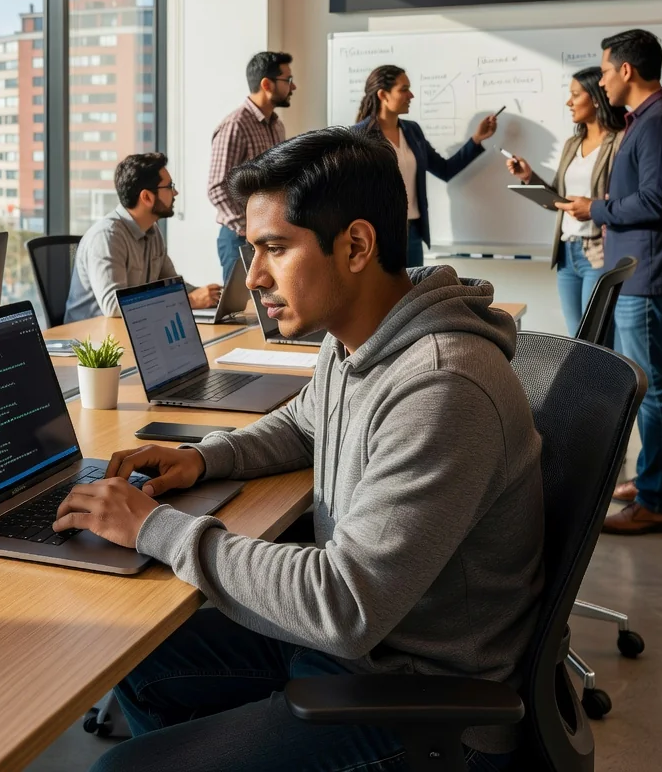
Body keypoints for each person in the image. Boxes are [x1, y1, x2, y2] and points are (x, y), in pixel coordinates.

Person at [55, 128, 544, 772]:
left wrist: (157, 528)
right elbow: (306, 423)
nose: (252, 275)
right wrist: (205, 457)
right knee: (137, 654)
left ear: (357, 246)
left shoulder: (442, 384)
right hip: (364, 648)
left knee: (119, 770)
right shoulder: (358, 335)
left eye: (273, 249)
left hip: (420, 698)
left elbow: (343, 605)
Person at [557, 29, 662, 535]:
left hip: (651, 273)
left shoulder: (660, 123)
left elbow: (656, 202)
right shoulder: (650, 119)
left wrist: (593, 208)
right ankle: (649, 481)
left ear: (626, 71)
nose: (600, 81)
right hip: (645, 270)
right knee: (651, 383)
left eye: (603, 69)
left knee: (654, 387)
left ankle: (659, 500)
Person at [505, 66, 627, 336]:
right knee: (576, 340)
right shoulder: (573, 143)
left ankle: (604, 381)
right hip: (566, 255)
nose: (568, 102)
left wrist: (592, 207)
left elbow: (620, 200)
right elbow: (557, 199)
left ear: (596, 98)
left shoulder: (619, 142)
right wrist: (528, 177)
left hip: (597, 253)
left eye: (575, 95)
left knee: (594, 341)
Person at [353, 65, 498, 267]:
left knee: (414, 296)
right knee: (385, 297)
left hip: (412, 232)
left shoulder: (412, 131)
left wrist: (476, 139)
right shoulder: (359, 136)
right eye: (404, 89)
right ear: (383, 95)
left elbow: (444, 170)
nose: (411, 95)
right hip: (379, 235)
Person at [65, 152, 220, 322]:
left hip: (134, 329)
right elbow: (113, 306)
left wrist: (211, 296)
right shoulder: (107, 236)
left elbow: (172, 285)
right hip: (91, 340)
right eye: (169, 186)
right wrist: (190, 300)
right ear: (146, 197)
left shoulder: (152, 231)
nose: (175, 192)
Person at [208, 51, 294, 283]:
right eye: (287, 80)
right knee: (238, 315)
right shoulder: (235, 125)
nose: (293, 86)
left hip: (269, 236)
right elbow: (217, 187)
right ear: (267, 84)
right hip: (240, 239)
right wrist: (248, 230)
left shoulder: (277, 126)